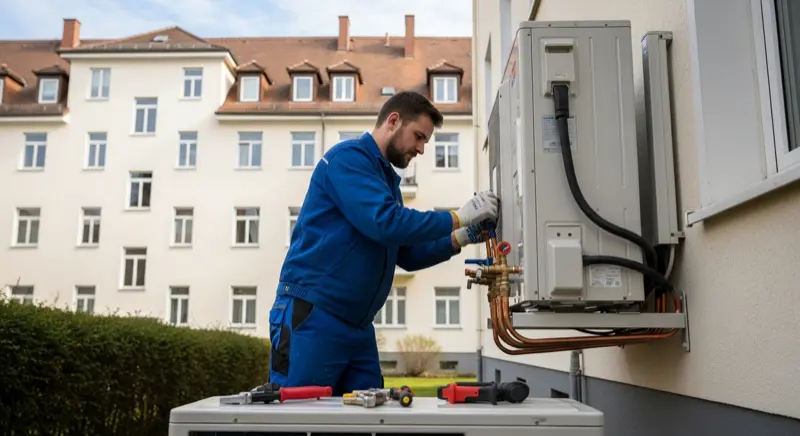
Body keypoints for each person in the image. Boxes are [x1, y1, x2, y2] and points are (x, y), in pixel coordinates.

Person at [268, 91, 498, 395]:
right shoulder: (347, 160)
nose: (421, 149)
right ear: (393, 121)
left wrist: (462, 237)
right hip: (314, 314)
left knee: (370, 418)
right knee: (299, 417)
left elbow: (407, 254)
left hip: (358, 326)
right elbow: (385, 222)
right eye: (418, 136)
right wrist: (459, 216)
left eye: (425, 141)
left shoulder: (386, 181)